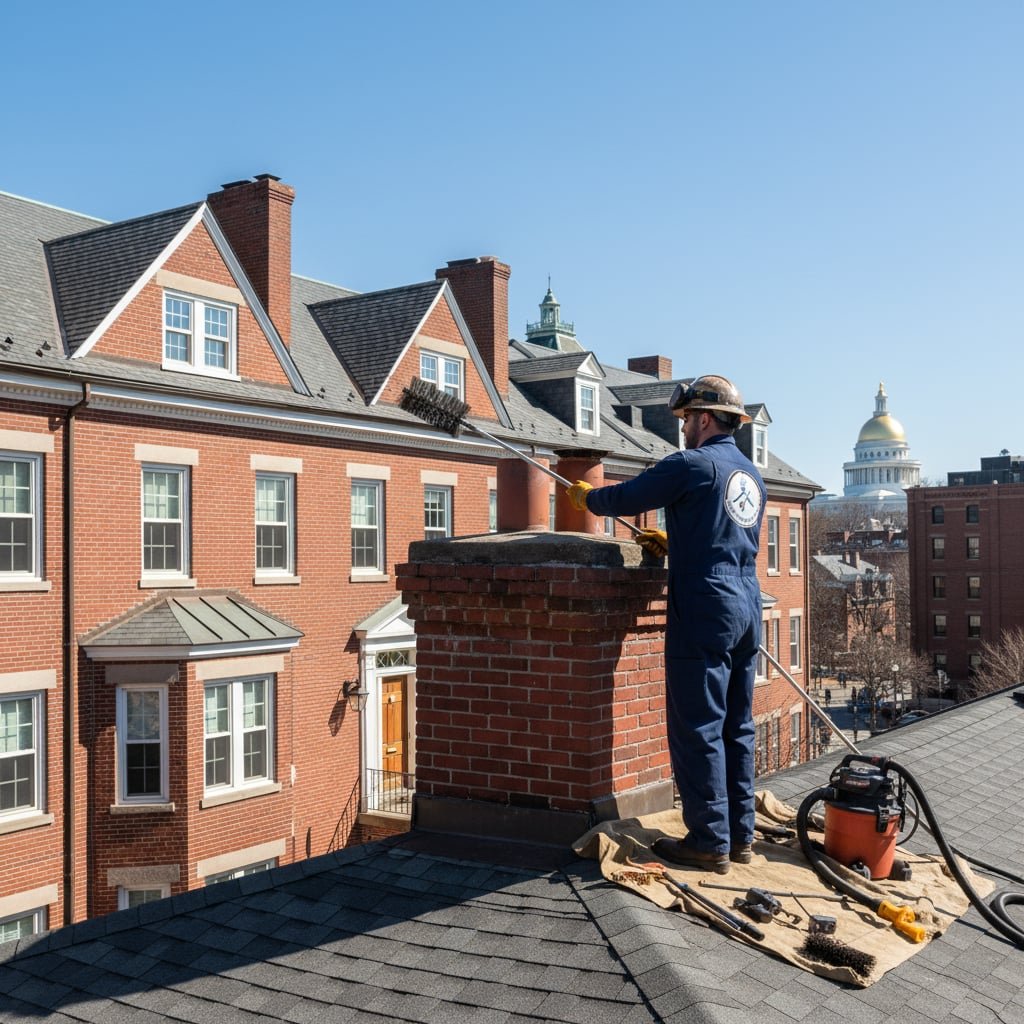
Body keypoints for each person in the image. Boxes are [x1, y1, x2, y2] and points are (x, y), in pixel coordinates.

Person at [566, 374, 766, 875]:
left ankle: (709, 842)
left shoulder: (691, 464)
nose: (682, 428)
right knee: (737, 725)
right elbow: (722, 535)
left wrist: (589, 498)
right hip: (747, 602)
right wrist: (676, 543)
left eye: (686, 419)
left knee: (698, 724)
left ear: (704, 418)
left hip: (706, 604)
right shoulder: (749, 474)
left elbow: (628, 497)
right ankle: (740, 836)